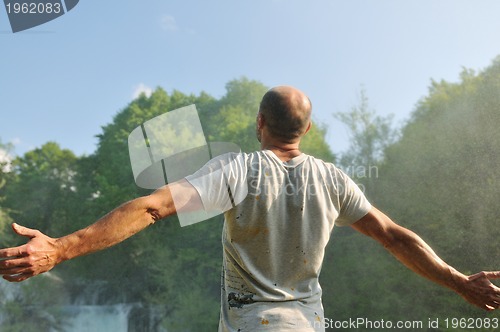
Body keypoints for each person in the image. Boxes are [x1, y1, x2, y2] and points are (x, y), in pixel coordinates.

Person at [1, 86, 499, 331]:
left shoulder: (237, 170)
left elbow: (151, 207)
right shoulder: (335, 180)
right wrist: (459, 281)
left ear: (260, 123)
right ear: (306, 129)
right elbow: (396, 236)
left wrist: (62, 249)